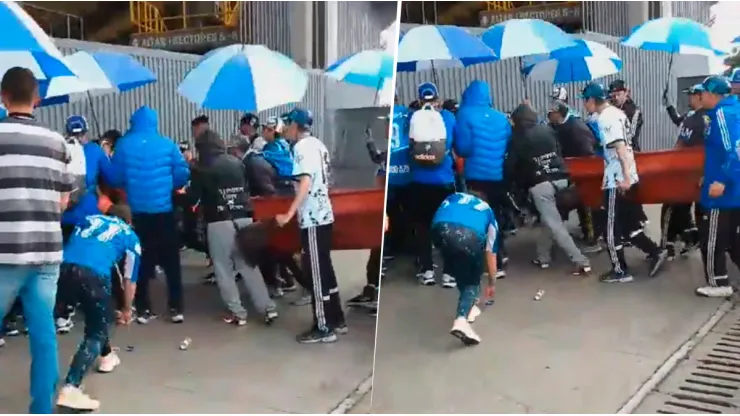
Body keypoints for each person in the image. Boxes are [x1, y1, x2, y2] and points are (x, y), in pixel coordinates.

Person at [0, 66, 74, 414]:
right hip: (47, 252)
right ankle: (41, 409)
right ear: (38, 99)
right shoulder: (58, 143)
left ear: (2, 97)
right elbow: (63, 200)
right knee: (44, 337)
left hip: (5, 253)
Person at [189, 129, 278, 325]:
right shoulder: (237, 163)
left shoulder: (201, 168)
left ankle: (238, 312)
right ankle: (268, 308)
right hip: (244, 217)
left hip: (219, 220)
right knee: (248, 265)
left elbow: (192, 198)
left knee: (224, 269)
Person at [110, 105, 190, 324]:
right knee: (171, 261)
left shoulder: (123, 145)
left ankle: (143, 308)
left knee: (140, 260)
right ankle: (176, 308)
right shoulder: (167, 144)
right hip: (164, 211)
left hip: (137, 213)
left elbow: (115, 178)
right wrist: (167, 186)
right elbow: (183, 173)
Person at [55, 206, 140, 411]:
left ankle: (107, 356)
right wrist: (127, 309)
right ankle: (71, 388)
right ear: (129, 221)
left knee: (97, 315)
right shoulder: (130, 236)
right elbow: (130, 280)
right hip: (93, 275)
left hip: (63, 270)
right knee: (98, 330)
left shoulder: (89, 219)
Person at [581, 82, 666, 283]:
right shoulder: (617, 113)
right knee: (627, 224)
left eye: (585, 101)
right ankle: (655, 250)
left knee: (610, 228)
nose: (585, 105)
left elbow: (619, 148)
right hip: (626, 174)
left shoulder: (606, 118)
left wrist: (626, 178)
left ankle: (620, 271)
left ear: (592, 101)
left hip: (617, 179)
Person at [276, 107, 347, 343]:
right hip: (325, 214)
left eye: (287, 124)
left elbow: (305, 181)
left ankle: (323, 327)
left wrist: (288, 213)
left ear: (296, 126)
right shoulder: (318, 144)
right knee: (325, 268)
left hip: (313, 218)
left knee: (315, 272)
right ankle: (337, 319)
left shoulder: (301, 148)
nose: (285, 128)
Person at [506, 103, 591, 275]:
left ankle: (581, 261)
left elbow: (512, 166)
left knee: (555, 224)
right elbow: (558, 151)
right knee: (549, 220)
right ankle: (543, 257)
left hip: (540, 183)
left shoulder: (516, 138)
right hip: (561, 178)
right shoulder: (547, 129)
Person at [56, 115, 118, 334]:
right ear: (86, 132)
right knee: (90, 262)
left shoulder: (59, 149)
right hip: (89, 216)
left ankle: (63, 312)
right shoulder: (93, 151)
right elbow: (113, 178)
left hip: (64, 215)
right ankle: (95, 306)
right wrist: (107, 158)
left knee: (64, 264)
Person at [454, 80, 511, 279]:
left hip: (476, 176)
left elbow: (463, 148)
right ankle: (501, 256)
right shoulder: (501, 117)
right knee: (495, 216)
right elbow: (507, 145)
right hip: (498, 175)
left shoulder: (464, 115)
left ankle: (488, 265)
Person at [431, 192, 498, 346]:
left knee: (460, 264)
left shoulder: (453, 196)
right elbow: (491, 253)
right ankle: (461, 319)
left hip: (439, 230)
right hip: (469, 235)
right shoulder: (488, 211)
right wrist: (491, 283)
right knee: (473, 278)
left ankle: (467, 304)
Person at [695, 75, 740, 298]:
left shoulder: (723, 114)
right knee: (732, 238)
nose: (699, 96)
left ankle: (717, 282)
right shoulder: (732, 110)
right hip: (730, 187)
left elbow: (735, 151)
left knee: (712, 238)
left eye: (702, 92)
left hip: (722, 191)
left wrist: (721, 179)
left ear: (712, 94)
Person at [547, 100, 602, 253]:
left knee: (586, 204)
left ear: (559, 114)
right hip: (573, 171)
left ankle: (593, 239)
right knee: (580, 203)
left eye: (551, 113)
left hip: (584, 171)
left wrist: (583, 170)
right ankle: (587, 234)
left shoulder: (575, 127)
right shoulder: (560, 126)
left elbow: (587, 150)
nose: (549, 116)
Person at [660, 84, 708, 259]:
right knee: (693, 212)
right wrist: (669, 106)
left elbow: (680, 146)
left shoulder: (695, 119)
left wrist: (669, 166)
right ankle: (694, 239)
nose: (689, 99)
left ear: (699, 96)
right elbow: (677, 120)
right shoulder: (710, 117)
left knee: (671, 206)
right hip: (707, 174)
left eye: (691, 95)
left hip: (689, 173)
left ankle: (666, 245)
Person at [385, 99, 412, 257]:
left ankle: (391, 245)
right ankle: (407, 244)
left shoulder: (383, 115)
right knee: (408, 210)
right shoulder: (407, 113)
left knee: (390, 211)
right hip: (406, 169)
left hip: (390, 171)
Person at [609, 80, 644, 152]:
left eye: (618, 94)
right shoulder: (609, 108)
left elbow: (631, 135)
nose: (616, 98)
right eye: (613, 96)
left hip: (630, 152)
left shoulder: (634, 111)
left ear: (626, 93)